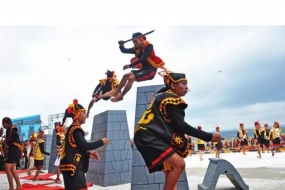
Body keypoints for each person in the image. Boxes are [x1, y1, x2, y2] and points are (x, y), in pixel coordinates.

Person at [133, 71, 221, 190]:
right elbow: (180, 126)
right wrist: (208, 137)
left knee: (171, 172)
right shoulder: (170, 99)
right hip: (149, 136)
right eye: (183, 84)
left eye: (186, 84)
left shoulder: (163, 98)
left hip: (146, 136)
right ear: (174, 86)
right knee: (179, 165)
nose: (186, 87)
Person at [59, 99, 110, 190]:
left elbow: (75, 148)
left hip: (69, 167)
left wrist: (88, 154)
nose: (85, 116)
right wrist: (101, 141)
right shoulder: (76, 130)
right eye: (83, 113)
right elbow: (84, 145)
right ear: (77, 115)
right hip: (73, 167)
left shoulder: (72, 129)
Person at [103, 32, 165, 102]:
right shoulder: (136, 49)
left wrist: (130, 65)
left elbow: (143, 58)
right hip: (144, 69)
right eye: (133, 42)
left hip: (151, 71)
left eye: (136, 41)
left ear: (141, 39)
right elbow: (124, 50)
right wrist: (121, 45)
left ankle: (121, 96)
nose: (134, 43)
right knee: (125, 76)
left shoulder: (149, 46)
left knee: (131, 78)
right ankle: (116, 92)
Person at [1, 117, 23, 190]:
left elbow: (8, 139)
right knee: (13, 169)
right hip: (15, 150)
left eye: (3, 123)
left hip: (12, 151)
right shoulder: (13, 129)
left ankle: (11, 187)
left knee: (7, 169)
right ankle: (19, 185)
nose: (3, 125)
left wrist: (0, 135)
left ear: (7, 123)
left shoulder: (9, 129)